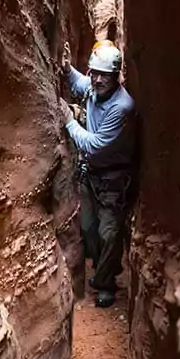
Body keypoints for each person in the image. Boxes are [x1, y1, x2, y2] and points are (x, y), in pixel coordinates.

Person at [61, 42, 136, 308]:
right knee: (89, 230)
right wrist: (67, 68)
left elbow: (94, 144)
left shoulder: (122, 107)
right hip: (91, 175)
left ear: (117, 77)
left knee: (109, 233)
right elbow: (81, 84)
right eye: (95, 72)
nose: (98, 79)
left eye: (105, 74)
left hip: (113, 181)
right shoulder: (94, 87)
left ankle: (106, 284)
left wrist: (68, 121)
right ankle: (104, 270)